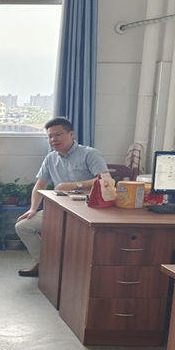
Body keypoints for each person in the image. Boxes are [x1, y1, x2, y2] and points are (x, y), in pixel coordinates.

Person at [15, 117, 108, 277]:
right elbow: (40, 184)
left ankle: (74, 270)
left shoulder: (89, 154)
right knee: (23, 226)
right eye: (50, 136)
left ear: (71, 134)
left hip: (87, 210)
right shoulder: (51, 158)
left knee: (73, 234)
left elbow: (105, 180)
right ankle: (45, 264)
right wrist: (33, 208)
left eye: (57, 135)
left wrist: (75, 185)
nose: (53, 140)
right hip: (58, 209)